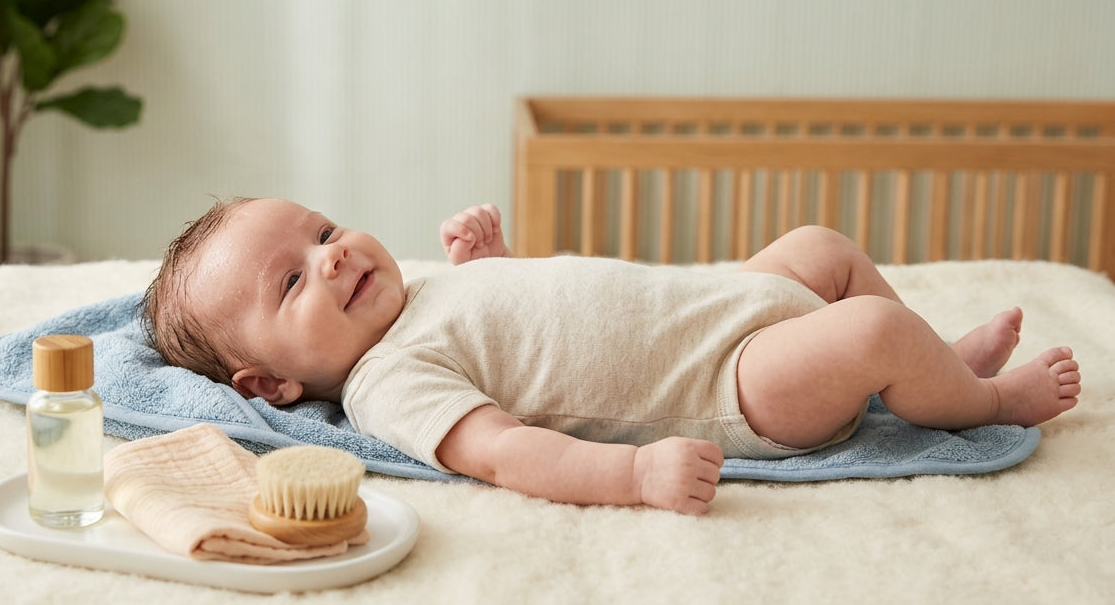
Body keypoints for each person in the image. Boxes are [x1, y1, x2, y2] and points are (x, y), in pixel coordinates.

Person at [143, 197, 1080, 515]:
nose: (334, 255)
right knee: (868, 336)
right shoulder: (390, 382)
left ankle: (939, 371)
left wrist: (491, 269)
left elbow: (537, 322)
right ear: (269, 385)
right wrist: (634, 474)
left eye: (323, 230)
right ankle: (984, 402)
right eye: (293, 282)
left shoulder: (423, 295)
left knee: (821, 247)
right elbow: (508, 451)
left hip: (726, 300)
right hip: (732, 381)